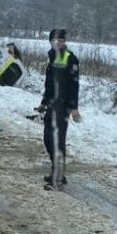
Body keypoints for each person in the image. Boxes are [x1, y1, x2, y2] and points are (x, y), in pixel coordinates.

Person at [36, 29, 81, 190]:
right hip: (51, 106)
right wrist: (43, 102)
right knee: (48, 140)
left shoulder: (70, 59)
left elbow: (74, 85)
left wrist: (74, 108)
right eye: (56, 40)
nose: (58, 43)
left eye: (61, 40)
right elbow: (50, 85)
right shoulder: (53, 57)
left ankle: (58, 179)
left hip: (63, 107)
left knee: (57, 141)